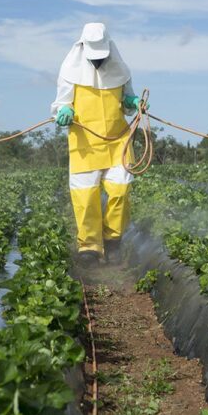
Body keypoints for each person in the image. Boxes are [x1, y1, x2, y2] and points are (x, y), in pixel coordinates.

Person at [51, 22, 145, 265]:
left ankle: (113, 239)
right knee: (86, 196)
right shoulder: (69, 71)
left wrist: (133, 102)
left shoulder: (120, 70)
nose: (98, 62)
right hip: (85, 143)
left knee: (120, 190)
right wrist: (63, 112)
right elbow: (62, 103)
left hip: (117, 141)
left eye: (101, 57)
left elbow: (126, 100)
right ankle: (89, 247)